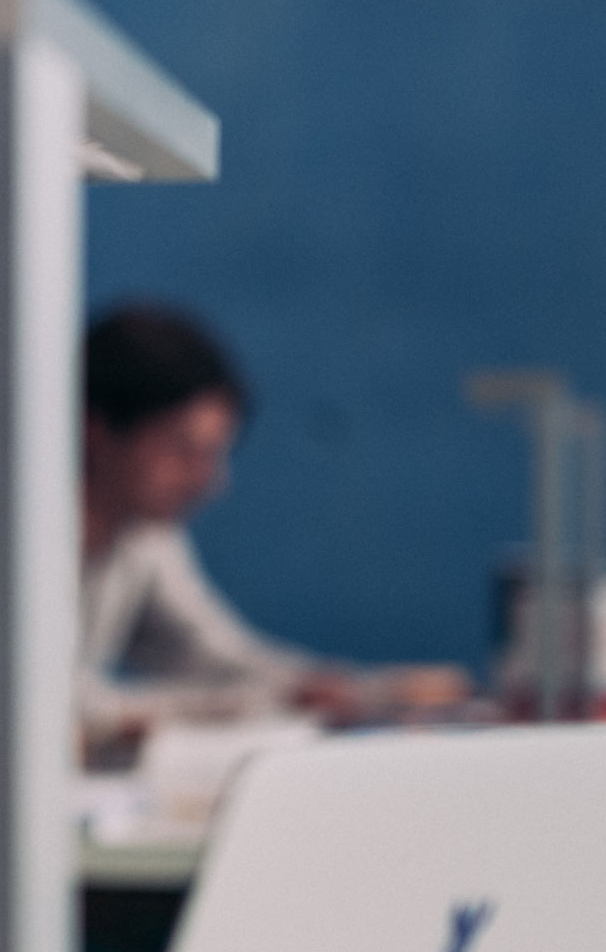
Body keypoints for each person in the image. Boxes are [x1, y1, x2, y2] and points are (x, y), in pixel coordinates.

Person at [78, 301, 464, 763]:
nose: (210, 481)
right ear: (95, 430)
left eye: (216, 453)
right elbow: (63, 711)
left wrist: (362, 692)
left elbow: (217, 657)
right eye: (182, 449)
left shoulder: (143, 534)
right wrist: (263, 706)